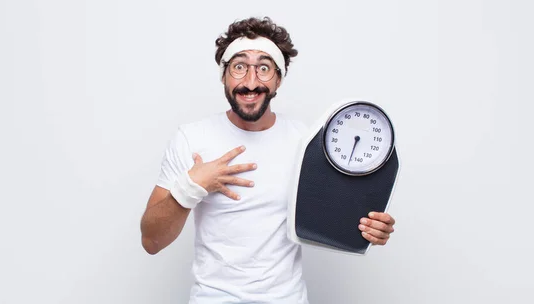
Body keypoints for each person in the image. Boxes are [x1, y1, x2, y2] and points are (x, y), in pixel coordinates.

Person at [140, 16, 396, 304]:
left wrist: (371, 228)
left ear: (278, 78)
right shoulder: (190, 138)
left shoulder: (306, 141)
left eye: (263, 68)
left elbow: (336, 214)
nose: (251, 82)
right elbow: (151, 241)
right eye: (239, 67)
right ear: (224, 75)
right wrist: (190, 187)